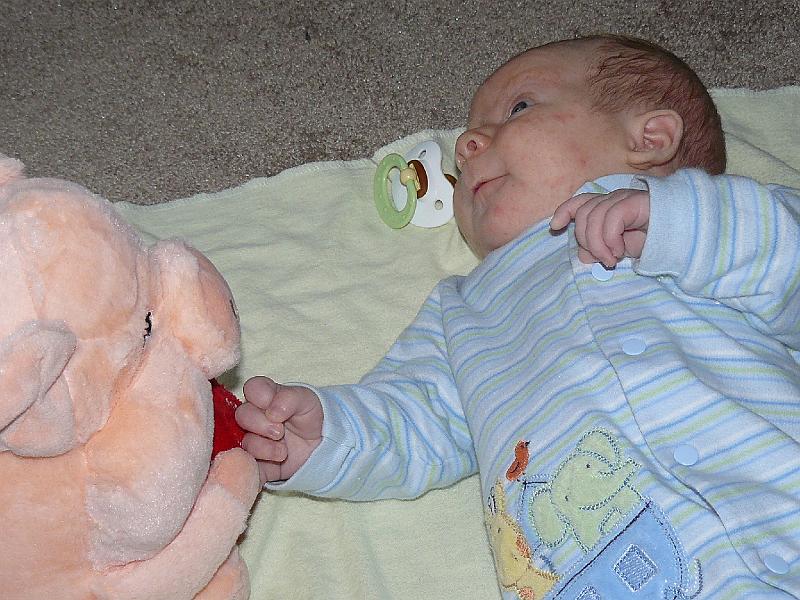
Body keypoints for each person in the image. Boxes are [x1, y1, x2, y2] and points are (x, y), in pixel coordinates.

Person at [236, 34, 800, 599]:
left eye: (518, 108)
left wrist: (678, 222)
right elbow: (416, 418)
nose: (466, 145)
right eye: (464, 150)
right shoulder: (464, 310)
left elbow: (787, 257)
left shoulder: (719, 228)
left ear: (648, 139)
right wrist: (328, 438)